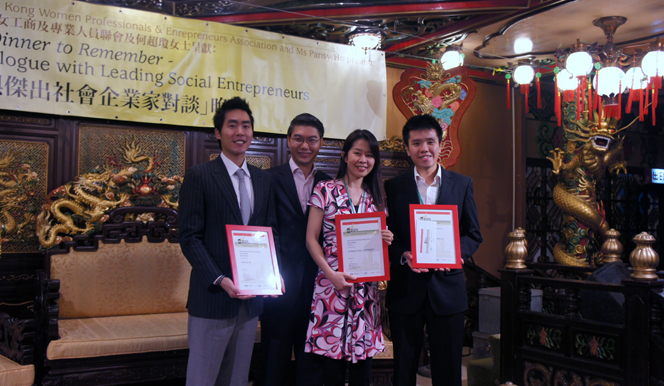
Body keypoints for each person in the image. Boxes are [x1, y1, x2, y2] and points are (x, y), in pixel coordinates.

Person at [179, 97, 280, 386]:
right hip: (212, 297)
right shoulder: (199, 176)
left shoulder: (262, 180)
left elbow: (268, 232)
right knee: (202, 378)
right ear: (217, 132)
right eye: (232, 125)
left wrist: (272, 277)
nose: (240, 132)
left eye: (246, 126)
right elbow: (189, 237)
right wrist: (221, 279)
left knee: (236, 378)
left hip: (249, 303)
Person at [384, 114, 483, 386]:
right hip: (406, 291)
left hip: (447, 290)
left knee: (448, 370)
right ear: (407, 148)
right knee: (403, 369)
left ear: (441, 145)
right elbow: (389, 236)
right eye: (416, 143)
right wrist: (404, 255)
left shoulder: (462, 184)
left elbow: (474, 234)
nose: (423, 148)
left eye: (430, 141)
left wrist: (454, 254)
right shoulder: (394, 187)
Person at [298, 129, 394, 386]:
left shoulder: (376, 197)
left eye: (370, 155)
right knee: (331, 365)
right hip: (331, 286)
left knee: (363, 366)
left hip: (366, 290)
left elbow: (378, 242)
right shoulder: (325, 189)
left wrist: (385, 239)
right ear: (344, 155)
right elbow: (310, 239)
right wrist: (332, 275)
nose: (363, 160)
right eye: (358, 153)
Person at [257, 113, 332, 386]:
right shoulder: (267, 178)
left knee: (311, 358)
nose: (305, 145)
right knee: (273, 356)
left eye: (312, 140)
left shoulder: (329, 183)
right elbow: (261, 227)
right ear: (288, 140)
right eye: (298, 138)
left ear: (321, 142)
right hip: (279, 281)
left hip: (318, 283)